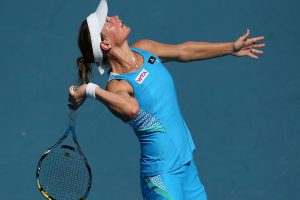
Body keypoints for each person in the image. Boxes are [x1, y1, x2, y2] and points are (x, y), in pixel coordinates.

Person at [68, 0, 265, 199]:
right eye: (108, 22)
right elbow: (131, 109)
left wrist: (231, 48)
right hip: (161, 176)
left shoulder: (145, 49)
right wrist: (90, 89)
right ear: (106, 44)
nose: (116, 17)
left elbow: (183, 51)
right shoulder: (117, 85)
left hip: (185, 163)